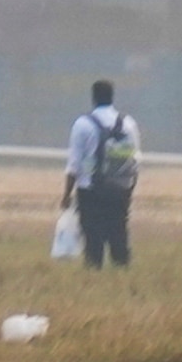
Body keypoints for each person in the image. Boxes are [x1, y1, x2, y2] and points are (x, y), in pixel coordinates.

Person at [63, 78, 143, 270]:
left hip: (91, 189)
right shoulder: (128, 123)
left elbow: (74, 164)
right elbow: (135, 159)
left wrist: (66, 194)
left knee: (93, 239)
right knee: (119, 234)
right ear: (112, 97)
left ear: (93, 97)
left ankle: (94, 273)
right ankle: (122, 271)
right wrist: (130, 187)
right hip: (121, 188)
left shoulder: (83, 124)